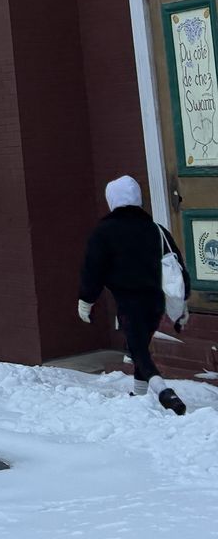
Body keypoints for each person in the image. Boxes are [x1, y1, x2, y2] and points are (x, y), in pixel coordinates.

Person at [78, 175, 189, 415]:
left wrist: (86, 300)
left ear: (112, 200)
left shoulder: (104, 232)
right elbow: (176, 263)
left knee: (138, 348)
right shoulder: (156, 229)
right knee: (141, 343)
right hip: (156, 300)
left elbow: (93, 268)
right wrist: (184, 299)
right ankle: (139, 395)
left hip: (129, 300)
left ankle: (163, 391)